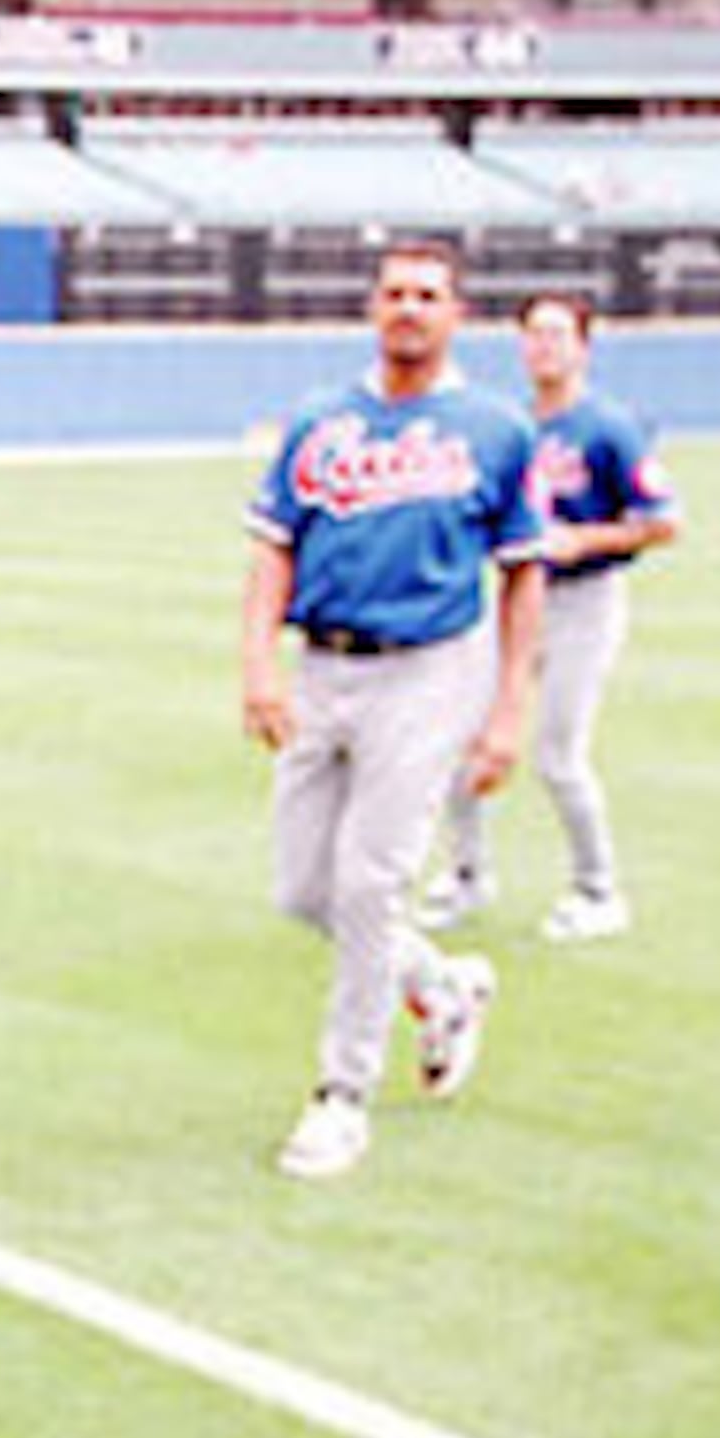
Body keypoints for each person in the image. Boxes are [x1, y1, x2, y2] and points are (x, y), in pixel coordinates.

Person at [240, 239, 546, 1183]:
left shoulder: (493, 428)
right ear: (372, 309)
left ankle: (343, 1095)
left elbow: (523, 572)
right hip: (326, 665)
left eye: (428, 295)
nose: (409, 308)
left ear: (456, 314)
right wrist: (259, 664)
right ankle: (442, 987)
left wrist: (506, 712)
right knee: (305, 889)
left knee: (372, 884)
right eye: (395, 293)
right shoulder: (322, 422)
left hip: (428, 669)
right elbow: (273, 551)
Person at [418, 290, 679, 940]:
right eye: (534, 334)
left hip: (583, 602)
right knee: (462, 738)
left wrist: (583, 540)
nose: (544, 346)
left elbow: (663, 521)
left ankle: (599, 890)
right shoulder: (512, 425)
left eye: (558, 334)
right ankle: (468, 876)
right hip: (514, 596)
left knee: (558, 755)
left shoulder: (607, 426)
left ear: (583, 346)